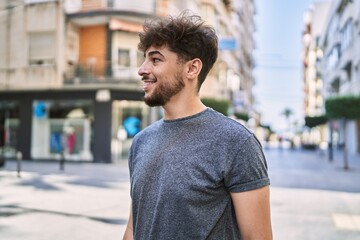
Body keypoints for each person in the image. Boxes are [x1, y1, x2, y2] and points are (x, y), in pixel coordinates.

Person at [123, 12, 272, 240]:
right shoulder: (141, 141)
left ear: (192, 69)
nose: (142, 69)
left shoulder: (236, 142)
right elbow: (135, 227)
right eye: (144, 59)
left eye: (155, 60)